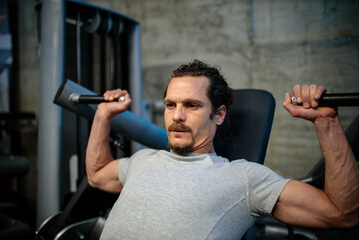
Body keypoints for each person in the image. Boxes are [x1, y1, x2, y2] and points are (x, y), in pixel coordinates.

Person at [86, 60, 359, 239]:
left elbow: (341, 213)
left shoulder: (244, 178)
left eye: (191, 105)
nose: (176, 116)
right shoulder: (142, 159)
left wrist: (327, 122)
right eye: (171, 105)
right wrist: (103, 115)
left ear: (219, 114)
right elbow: (97, 173)